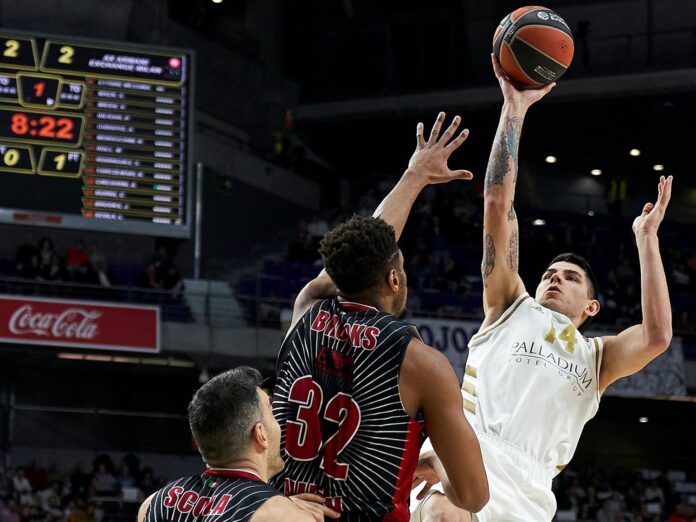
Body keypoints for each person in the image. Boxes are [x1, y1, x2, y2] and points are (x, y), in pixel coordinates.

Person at [411, 55, 674, 522]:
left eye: (571, 277)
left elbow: (657, 336)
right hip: (468, 454)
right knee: (443, 516)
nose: (555, 277)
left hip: (531, 493)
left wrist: (646, 238)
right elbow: (497, 203)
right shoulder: (510, 306)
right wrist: (514, 108)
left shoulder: (598, 359)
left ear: (591, 306)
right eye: (551, 272)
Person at [272, 114, 489, 520]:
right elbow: (474, 495)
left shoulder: (307, 308)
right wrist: (433, 460)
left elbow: (360, 251)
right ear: (393, 278)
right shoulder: (422, 362)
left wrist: (413, 176)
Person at [138, 367, 340, 521]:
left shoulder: (153, 504)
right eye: (271, 412)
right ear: (260, 434)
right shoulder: (283, 516)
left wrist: (277, 503)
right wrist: (282, 509)